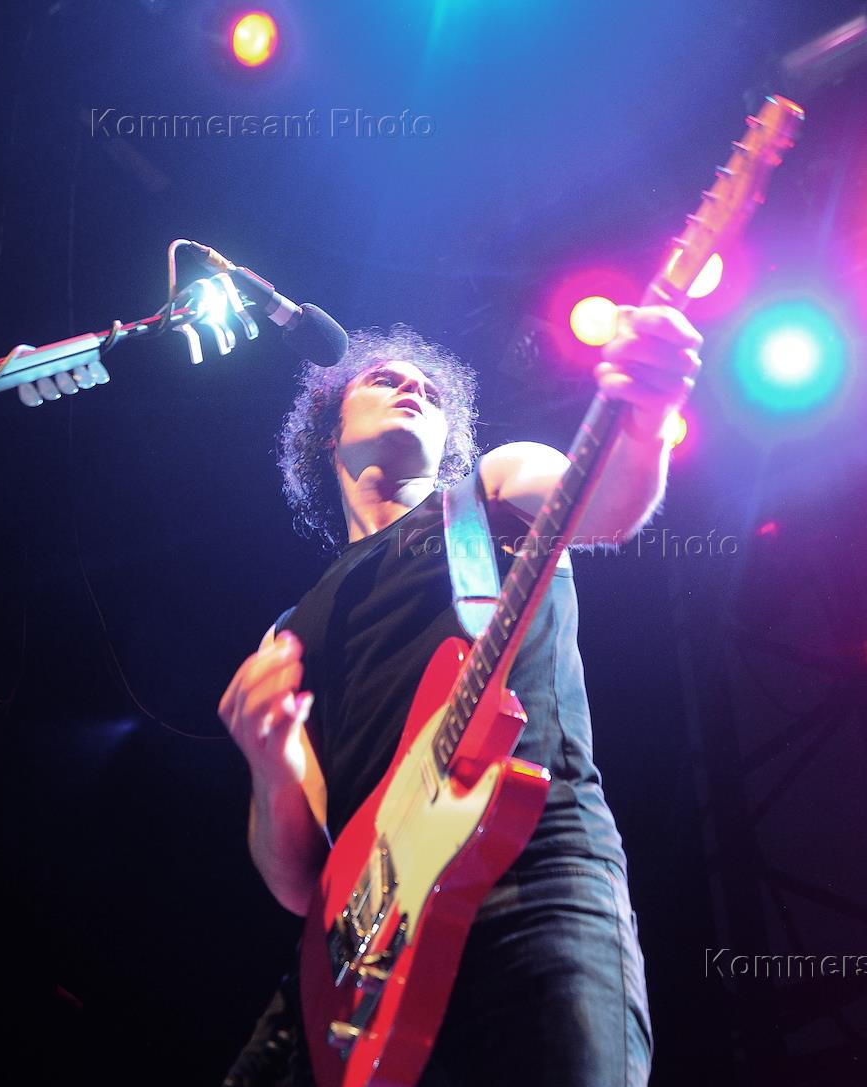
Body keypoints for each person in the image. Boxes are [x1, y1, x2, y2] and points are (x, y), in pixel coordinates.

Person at [218, 305, 703, 1087]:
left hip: (530, 873)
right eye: (385, 379)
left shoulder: (494, 488)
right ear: (329, 435)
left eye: (432, 390)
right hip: (374, 950)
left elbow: (608, 504)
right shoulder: (289, 634)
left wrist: (644, 421)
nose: (413, 386)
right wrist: (270, 764)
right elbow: (298, 881)